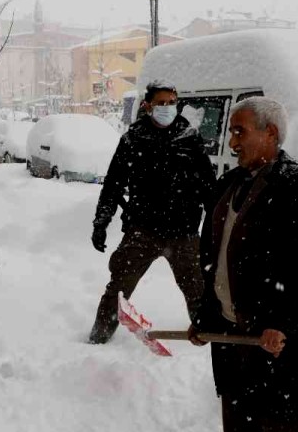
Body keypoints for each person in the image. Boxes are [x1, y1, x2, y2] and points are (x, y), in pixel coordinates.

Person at [189, 97, 298, 432]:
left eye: (241, 131)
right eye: (232, 131)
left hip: (276, 349)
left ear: (270, 133)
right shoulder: (228, 186)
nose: (232, 141)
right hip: (233, 347)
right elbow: (213, 263)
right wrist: (206, 317)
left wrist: (284, 324)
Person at [87, 79, 215, 344]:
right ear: (147, 106)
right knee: (119, 288)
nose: (167, 108)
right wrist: (101, 222)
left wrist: (214, 227)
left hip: (184, 233)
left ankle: (206, 338)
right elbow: (113, 185)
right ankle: (98, 340)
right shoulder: (133, 140)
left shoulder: (189, 139)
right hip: (142, 231)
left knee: (197, 290)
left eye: (171, 103)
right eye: (161, 103)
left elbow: (208, 188)